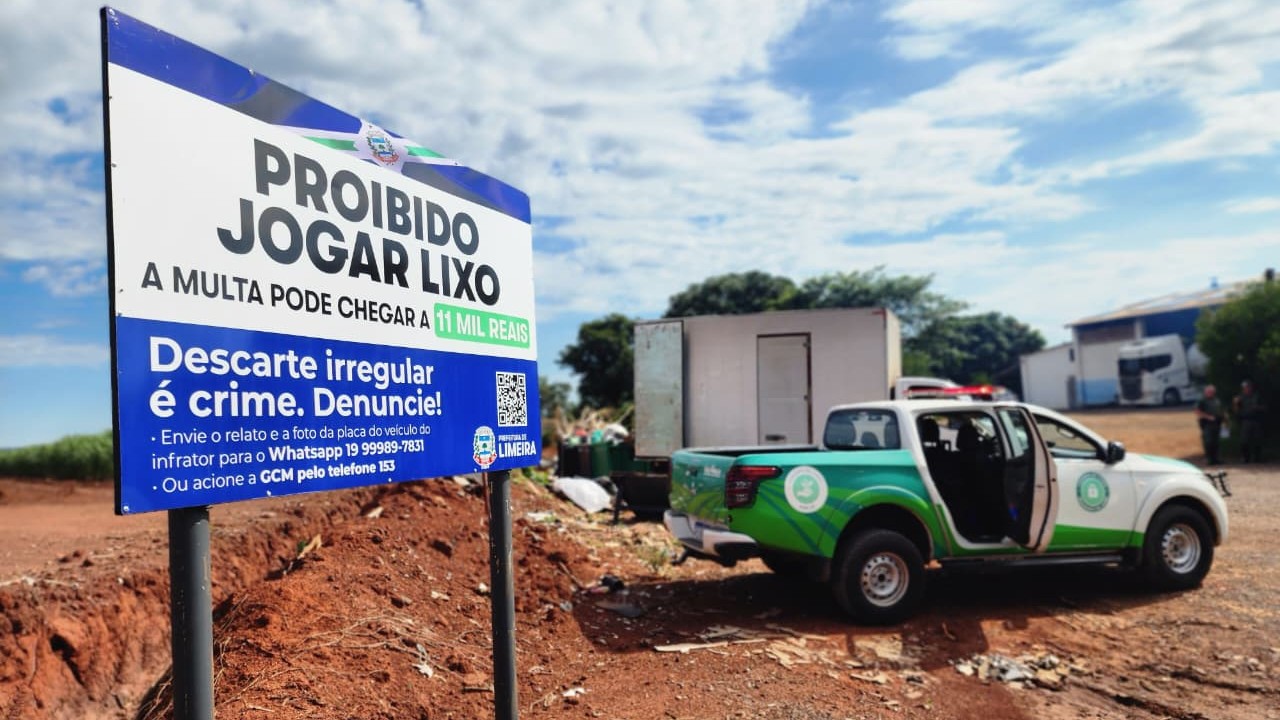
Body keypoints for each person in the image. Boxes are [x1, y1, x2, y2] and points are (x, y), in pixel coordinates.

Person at [1234, 380, 1266, 463]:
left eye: (1248, 387)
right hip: (1246, 421)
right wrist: (1235, 404)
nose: (1247, 389)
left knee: (1257, 440)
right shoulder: (1240, 397)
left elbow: (1265, 407)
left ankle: (1257, 458)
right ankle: (1245, 458)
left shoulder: (1257, 396)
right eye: (1245, 387)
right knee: (1244, 441)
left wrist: (1258, 408)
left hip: (1256, 420)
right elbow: (1236, 410)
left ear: (1251, 387)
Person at [1194, 385, 1224, 465]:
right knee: (1208, 442)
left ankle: (1216, 459)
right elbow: (1197, 411)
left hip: (1217, 423)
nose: (1211, 393)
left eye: (1212, 392)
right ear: (1206, 392)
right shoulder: (1202, 400)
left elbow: (1220, 410)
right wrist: (1208, 417)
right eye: (1209, 392)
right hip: (1207, 424)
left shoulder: (1216, 400)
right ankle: (1209, 459)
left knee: (1216, 442)